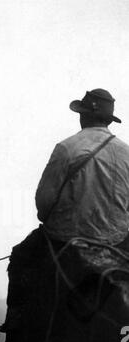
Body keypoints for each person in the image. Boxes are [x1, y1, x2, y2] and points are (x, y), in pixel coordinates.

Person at [35, 88, 129, 251]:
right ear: (108, 120)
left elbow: (43, 202)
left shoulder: (66, 148)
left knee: (21, 257)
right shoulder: (126, 152)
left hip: (67, 237)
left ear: (83, 116)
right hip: (116, 239)